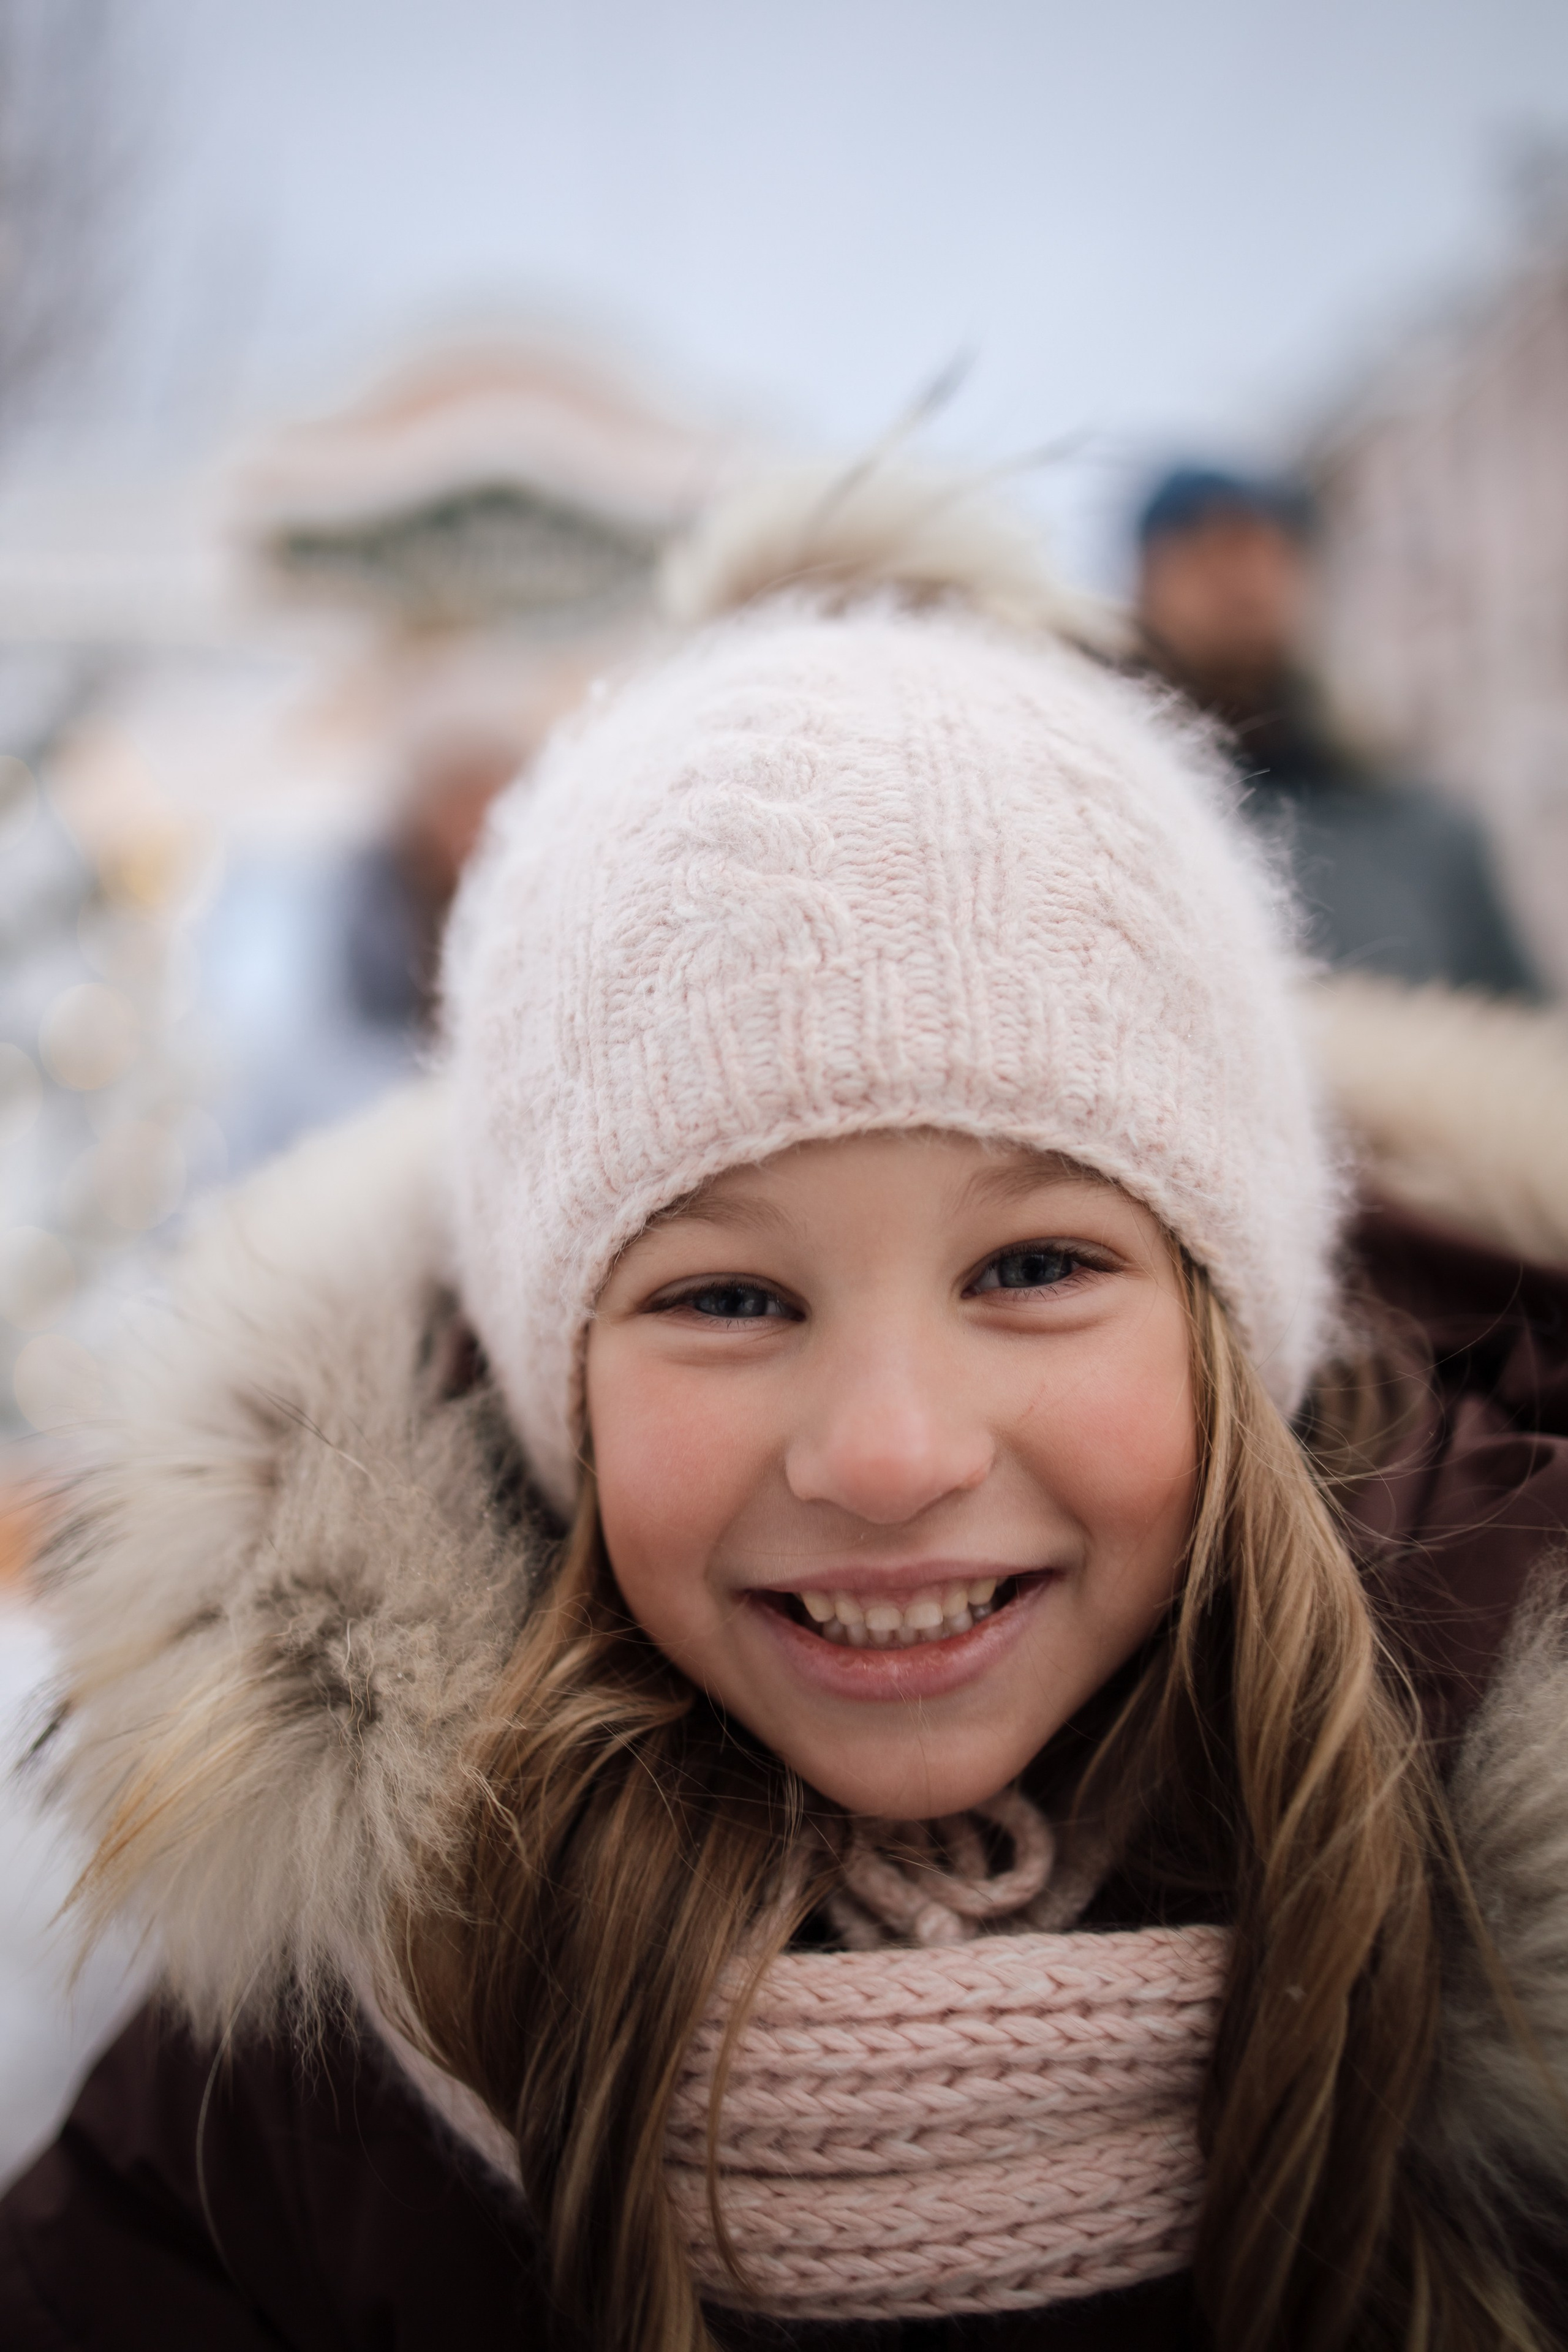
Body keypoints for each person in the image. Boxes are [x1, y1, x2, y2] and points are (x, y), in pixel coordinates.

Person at [3, 466, 1567, 2352]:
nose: (892, 1453)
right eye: (729, 1296)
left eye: (1031, 1268)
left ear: (1232, 1321)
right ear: (541, 1371)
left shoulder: (1513, 1949)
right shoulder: (320, 2057)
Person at [1134, 465, 1539, 997]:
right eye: (1203, 549)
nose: (1239, 580)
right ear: (1145, 581)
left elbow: (1528, 1042)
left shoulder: (1423, 830)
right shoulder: (1120, 807)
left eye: (1263, 548)